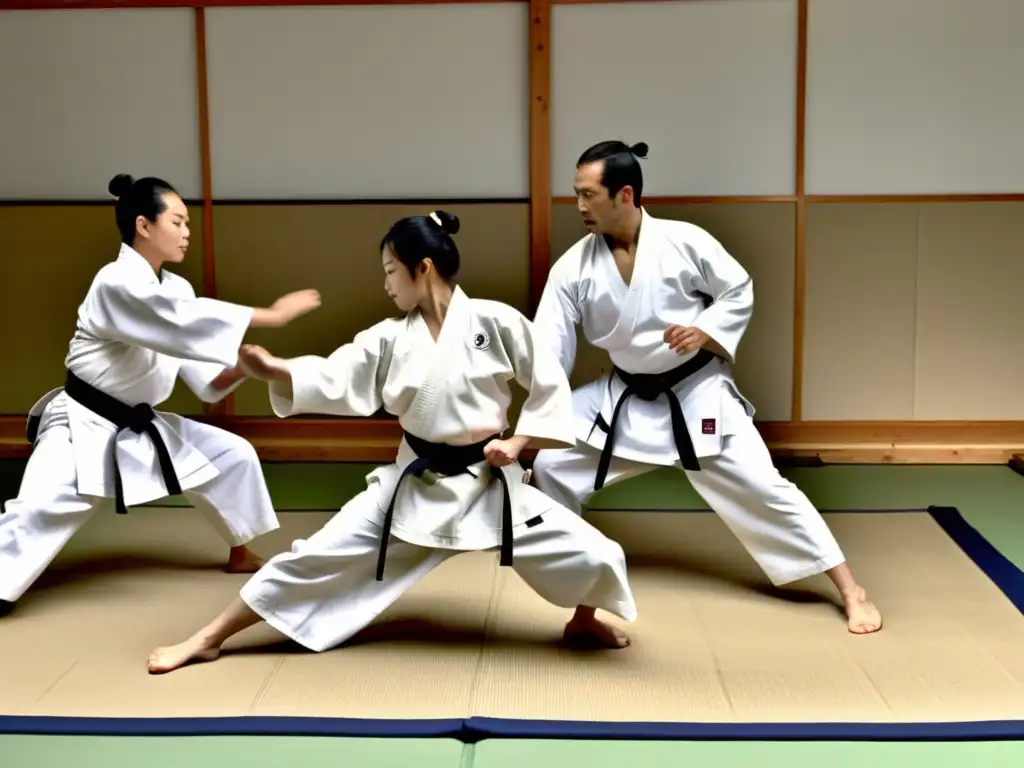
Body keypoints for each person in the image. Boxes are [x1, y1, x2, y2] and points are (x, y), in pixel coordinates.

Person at [147, 209, 638, 674]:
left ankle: (583, 618)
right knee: (312, 556)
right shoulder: (387, 337)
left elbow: (548, 383)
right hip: (412, 487)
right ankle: (210, 637)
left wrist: (518, 443)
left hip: (491, 484)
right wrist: (275, 370)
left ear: (422, 267)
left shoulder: (496, 321)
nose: (385, 285)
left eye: (390, 271)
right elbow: (336, 374)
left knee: (596, 553)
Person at [529, 141, 882, 635]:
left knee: (765, 488)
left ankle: (850, 588)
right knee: (550, 466)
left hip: (696, 394)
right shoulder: (573, 268)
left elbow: (738, 290)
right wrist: (529, 425)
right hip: (624, 398)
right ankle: (585, 600)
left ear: (624, 194)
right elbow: (550, 351)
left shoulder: (683, 242)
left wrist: (705, 332)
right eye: (576, 195)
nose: (580, 206)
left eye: (588, 195)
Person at [0, 173, 322, 617]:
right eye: (178, 222)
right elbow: (177, 320)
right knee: (36, 511)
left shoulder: (177, 290)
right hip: (83, 421)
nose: (187, 232)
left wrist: (242, 369)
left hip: (139, 422)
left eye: (189, 223)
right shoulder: (114, 282)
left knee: (232, 455)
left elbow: (205, 379)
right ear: (143, 226)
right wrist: (269, 315)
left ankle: (239, 552)